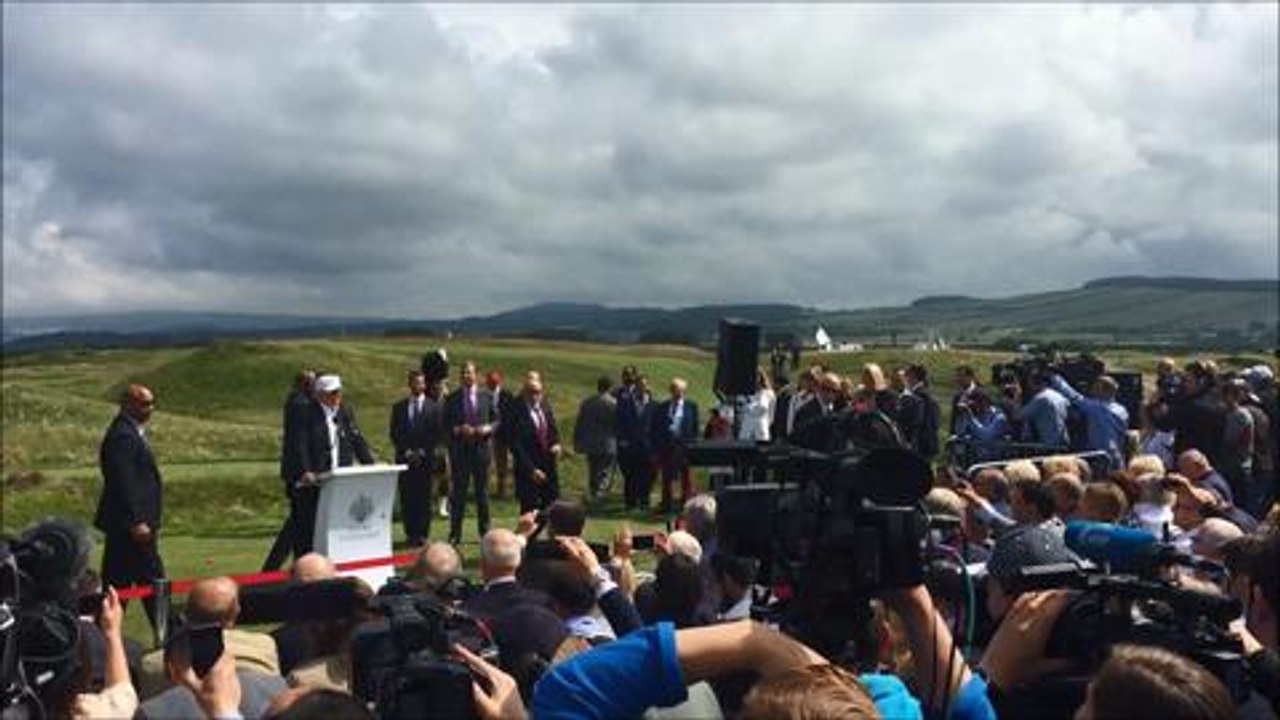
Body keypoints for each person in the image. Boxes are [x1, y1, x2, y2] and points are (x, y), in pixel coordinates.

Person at [95, 384, 165, 632]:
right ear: (127, 405)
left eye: (151, 403)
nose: (150, 409)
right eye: (145, 404)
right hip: (131, 526)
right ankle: (169, 633)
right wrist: (136, 520)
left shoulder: (130, 432)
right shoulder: (123, 436)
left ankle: (103, 634)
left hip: (127, 525)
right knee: (151, 580)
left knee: (119, 583)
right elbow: (122, 481)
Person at [287, 374, 375, 558]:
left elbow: (356, 439)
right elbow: (299, 444)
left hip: (339, 482)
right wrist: (306, 470)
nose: (337, 397)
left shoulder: (345, 411)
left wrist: (371, 465)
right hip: (315, 482)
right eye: (332, 393)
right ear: (320, 395)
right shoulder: (306, 413)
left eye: (339, 393)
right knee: (307, 529)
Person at [264, 369, 317, 571]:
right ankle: (276, 568)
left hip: (297, 474)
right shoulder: (300, 404)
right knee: (297, 524)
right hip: (299, 476)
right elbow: (299, 443)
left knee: (296, 523)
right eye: (312, 383)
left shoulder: (298, 402)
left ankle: (282, 565)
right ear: (304, 384)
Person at [443, 361, 497, 545]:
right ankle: (455, 533)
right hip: (460, 453)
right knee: (458, 495)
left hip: (481, 451)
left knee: (482, 495)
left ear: (476, 375)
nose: (467, 376)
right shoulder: (452, 398)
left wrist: (487, 428)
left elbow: (497, 420)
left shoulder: (486, 396)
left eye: (470, 372)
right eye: (464, 373)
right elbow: (445, 426)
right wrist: (458, 429)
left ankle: (485, 532)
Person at [389, 370, 443, 547]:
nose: (417, 386)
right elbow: (395, 433)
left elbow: (436, 434)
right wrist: (407, 452)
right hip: (405, 460)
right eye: (414, 382)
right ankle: (410, 533)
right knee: (407, 497)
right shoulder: (399, 407)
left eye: (420, 383)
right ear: (409, 384)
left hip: (425, 460)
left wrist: (421, 452)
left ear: (424, 385)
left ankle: (422, 534)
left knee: (424, 498)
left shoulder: (433, 407)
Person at [1049, 373, 1130, 470]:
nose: (1092, 392)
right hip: (1118, 456)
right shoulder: (1122, 410)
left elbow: (1073, 396)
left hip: (1100, 458)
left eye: (1095, 388)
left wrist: (1056, 378)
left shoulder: (1095, 407)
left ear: (1102, 390)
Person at [511, 377, 564, 513]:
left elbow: (553, 432)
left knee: (551, 510)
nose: (535, 396)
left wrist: (557, 444)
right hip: (528, 472)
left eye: (538, 392)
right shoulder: (517, 413)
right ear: (525, 393)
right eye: (531, 392)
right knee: (530, 512)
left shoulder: (545, 409)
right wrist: (532, 470)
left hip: (548, 468)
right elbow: (516, 446)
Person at [649, 378, 700, 515]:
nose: (676, 394)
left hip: (684, 445)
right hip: (667, 445)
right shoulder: (662, 407)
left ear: (683, 391)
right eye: (674, 390)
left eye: (679, 391)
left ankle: (686, 504)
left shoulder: (691, 406)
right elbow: (655, 428)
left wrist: (693, 445)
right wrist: (656, 447)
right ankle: (666, 504)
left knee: (686, 476)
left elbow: (694, 428)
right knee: (666, 476)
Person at [574, 375, 618, 500]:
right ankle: (599, 495)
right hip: (608, 443)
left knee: (593, 470)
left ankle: (593, 493)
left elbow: (580, 423)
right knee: (605, 472)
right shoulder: (614, 404)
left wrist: (577, 440)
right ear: (610, 387)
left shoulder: (587, 403)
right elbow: (618, 424)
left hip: (590, 443)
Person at [617, 368, 655, 510]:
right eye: (639, 385)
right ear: (635, 386)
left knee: (647, 474)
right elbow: (619, 422)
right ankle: (630, 502)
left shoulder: (654, 404)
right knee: (630, 474)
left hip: (647, 446)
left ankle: (644, 501)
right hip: (629, 445)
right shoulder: (625, 403)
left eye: (644, 386)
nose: (642, 388)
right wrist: (621, 439)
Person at [896, 364, 941, 461]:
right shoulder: (925, 392)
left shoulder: (920, 395)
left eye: (907, 375)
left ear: (913, 376)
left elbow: (919, 421)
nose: (905, 378)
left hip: (921, 444)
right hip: (927, 442)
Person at [486, 370, 516, 499]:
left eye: (494, 380)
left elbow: (511, 415)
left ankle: (502, 490)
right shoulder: (484, 395)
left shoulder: (507, 395)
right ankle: (489, 489)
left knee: (503, 463)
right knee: (490, 463)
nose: (492, 382)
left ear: (499, 381)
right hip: (487, 434)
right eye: (490, 380)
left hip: (504, 435)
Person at [1020, 372, 1071, 448]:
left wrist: (1015, 399)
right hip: (1064, 441)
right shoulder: (1059, 396)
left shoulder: (1040, 399)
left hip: (1049, 445)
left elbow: (1018, 416)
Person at [738, 367, 776, 442]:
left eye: (756, 376)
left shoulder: (768, 393)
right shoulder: (743, 393)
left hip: (761, 431)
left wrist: (765, 424)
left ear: (761, 377)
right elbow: (739, 410)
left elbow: (769, 412)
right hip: (745, 431)